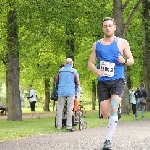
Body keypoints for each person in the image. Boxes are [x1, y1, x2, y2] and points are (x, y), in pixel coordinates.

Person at [88, 17, 134, 150]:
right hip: (103, 82)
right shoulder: (97, 45)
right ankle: (115, 113)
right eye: (105, 26)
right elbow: (90, 63)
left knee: (113, 107)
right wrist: (96, 70)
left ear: (114, 27)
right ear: (103, 28)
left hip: (118, 80)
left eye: (110, 25)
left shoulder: (122, 43)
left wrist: (124, 60)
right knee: (106, 112)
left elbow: (131, 60)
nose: (107, 28)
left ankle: (107, 140)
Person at [55, 58, 79, 132]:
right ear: (72, 63)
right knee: (69, 109)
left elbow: (56, 81)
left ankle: (59, 126)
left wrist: (57, 90)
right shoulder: (74, 71)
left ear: (65, 63)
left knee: (59, 109)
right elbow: (77, 83)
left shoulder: (60, 71)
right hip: (70, 92)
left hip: (61, 92)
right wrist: (76, 92)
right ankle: (69, 126)